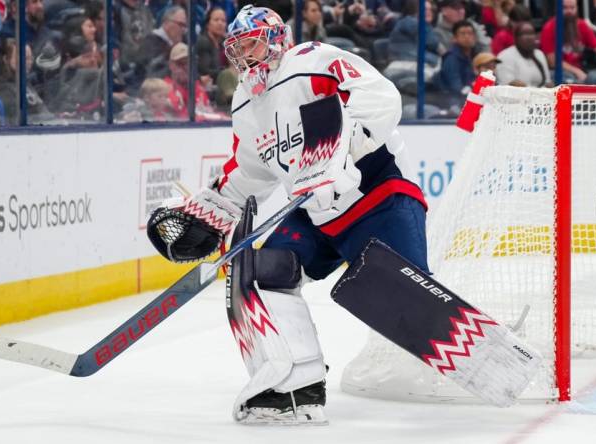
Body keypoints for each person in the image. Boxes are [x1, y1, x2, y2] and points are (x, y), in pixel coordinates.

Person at [147, 5, 429, 424]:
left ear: (276, 38)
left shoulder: (313, 60)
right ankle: (297, 386)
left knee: (414, 306)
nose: (244, 57)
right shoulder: (245, 101)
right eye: (236, 49)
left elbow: (380, 95)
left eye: (252, 44)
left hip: (377, 195)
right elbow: (250, 169)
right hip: (314, 215)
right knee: (264, 272)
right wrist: (215, 209)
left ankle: (473, 339)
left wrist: (344, 151)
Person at [539, 0, 596, 84]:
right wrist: (577, 72)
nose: (569, 11)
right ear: (557, 9)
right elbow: (553, 61)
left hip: (584, 69)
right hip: (561, 71)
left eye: (572, 8)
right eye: (565, 8)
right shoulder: (549, 28)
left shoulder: (582, 25)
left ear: (577, 8)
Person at [496, 22, 551, 87]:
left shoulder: (539, 54)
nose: (529, 37)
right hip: (516, 95)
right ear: (516, 38)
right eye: (524, 34)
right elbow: (506, 84)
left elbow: (547, 82)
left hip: (540, 95)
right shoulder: (505, 56)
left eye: (531, 33)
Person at [437, 20, 477, 97]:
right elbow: (456, 89)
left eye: (470, 33)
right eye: (462, 34)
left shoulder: (474, 57)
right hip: (452, 102)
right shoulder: (451, 59)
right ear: (454, 38)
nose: (467, 37)